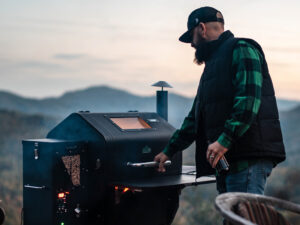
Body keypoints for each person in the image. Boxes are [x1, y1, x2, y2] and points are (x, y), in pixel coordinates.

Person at [154, 6, 286, 195]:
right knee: (231, 219)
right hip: (227, 161)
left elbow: (248, 102)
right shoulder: (211, 68)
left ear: (202, 28)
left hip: (247, 159)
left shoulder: (242, 49)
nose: (191, 44)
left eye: (191, 36)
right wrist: (169, 151)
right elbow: (195, 118)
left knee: (243, 218)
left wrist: (224, 141)